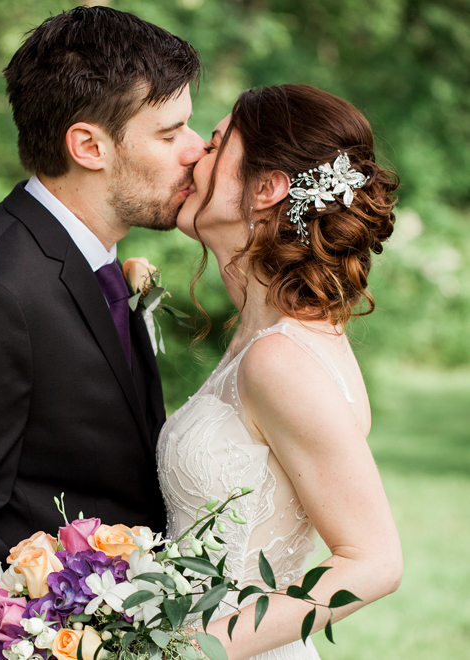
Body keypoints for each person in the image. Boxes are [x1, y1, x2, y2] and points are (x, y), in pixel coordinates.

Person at [0, 7, 206, 659]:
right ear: (89, 146)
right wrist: (71, 636)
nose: (197, 147)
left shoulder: (86, 257)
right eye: (171, 131)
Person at [158, 84, 403, 659]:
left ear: (267, 189)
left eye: (216, 145)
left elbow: (373, 562)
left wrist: (190, 648)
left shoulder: (281, 358)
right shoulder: (265, 337)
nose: (194, 154)